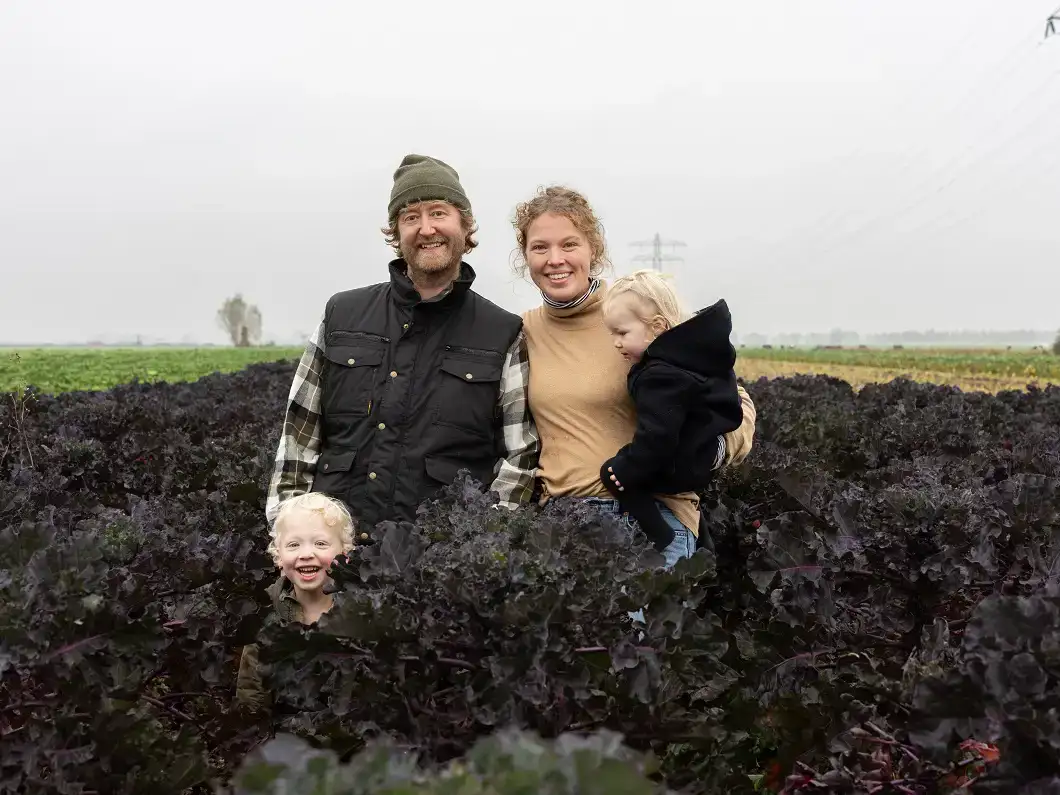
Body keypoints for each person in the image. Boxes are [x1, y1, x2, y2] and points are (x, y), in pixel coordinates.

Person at [264, 154, 538, 536]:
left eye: (438, 213)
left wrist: (483, 540)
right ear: (396, 232)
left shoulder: (503, 332)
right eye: (410, 217)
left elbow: (520, 455)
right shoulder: (342, 315)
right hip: (338, 553)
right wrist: (289, 534)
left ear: (465, 224)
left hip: (441, 560)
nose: (426, 229)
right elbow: (298, 438)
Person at [503, 185, 756, 569]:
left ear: (594, 248)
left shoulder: (635, 313)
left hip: (651, 519)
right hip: (563, 522)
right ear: (526, 256)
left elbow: (733, 401)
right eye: (540, 247)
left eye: (569, 244)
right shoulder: (522, 332)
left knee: (644, 631)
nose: (555, 259)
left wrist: (711, 451)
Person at [598, 270, 744, 551]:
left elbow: (658, 436)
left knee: (613, 473)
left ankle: (660, 533)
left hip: (681, 462)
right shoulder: (694, 357)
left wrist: (630, 464)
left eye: (622, 332)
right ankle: (701, 537)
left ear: (657, 327)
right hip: (699, 454)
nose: (615, 342)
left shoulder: (659, 376)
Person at [236, 492, 355, 712]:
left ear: (344, 554)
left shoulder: (359, 613)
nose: (306, 554)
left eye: (320, 543)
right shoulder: (265, 614)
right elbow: (252, 692)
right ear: (278, 556)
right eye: (293, 545)